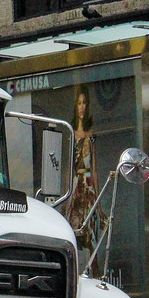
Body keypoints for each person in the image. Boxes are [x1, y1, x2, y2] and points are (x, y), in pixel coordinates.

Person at [66, 85, 105, 274]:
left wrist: (99, 201)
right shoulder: (70, 134)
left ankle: (96, 275)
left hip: (88, 185)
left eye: (84, 103)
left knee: (91, 235)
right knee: (73, 231)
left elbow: (95, 169)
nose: (82, 107)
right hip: (75, 185)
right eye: (79, 103)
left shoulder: (91, 135)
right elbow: (68, 167)